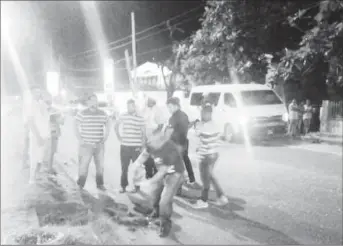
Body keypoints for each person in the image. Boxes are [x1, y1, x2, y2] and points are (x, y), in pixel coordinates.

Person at [138, 127, 185, 237]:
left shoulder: (170, 148)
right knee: (154, 194)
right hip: (163, 172)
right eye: (148, 140)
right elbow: (142, 157)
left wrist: (146, 183)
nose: (149, 142)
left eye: (152, 140)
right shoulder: (151, 144)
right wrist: (133, 169)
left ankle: (165, 224)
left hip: (175, 174)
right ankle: (156, 212)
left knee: (164, 201)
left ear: (159, 139)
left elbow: (162, 172)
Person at [192, 103, 228, 209]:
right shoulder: (215, 124)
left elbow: (197, 134)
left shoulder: (203, 125)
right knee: (210, 176)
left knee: (205, 179)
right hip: (214, 154)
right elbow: (216, 139)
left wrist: (197, 124)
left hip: (206, 156)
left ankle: (203, 200)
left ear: (207, 113)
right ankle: (221, 197)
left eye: (202, 113)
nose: (201, 115)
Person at [74, 94, 110, 191]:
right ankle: (80, 185)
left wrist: (105, 138)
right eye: (92, 100)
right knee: (83, 165)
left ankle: (100, 184)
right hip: (86, 145)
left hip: (99, 145)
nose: (94, 103)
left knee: (100, 166)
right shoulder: (82, 113)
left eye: (96, 101)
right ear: (88, 102)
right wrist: (80, 139)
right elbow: (75, 126)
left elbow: (108, 124)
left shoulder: (102, 113)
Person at [115, 99, 146, 193]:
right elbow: (116, 126)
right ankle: (123, 186)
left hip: (136, 146)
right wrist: (119, 137)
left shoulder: (140, 118)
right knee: (124, 167)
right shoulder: (123, 115)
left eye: (131, 106)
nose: (129, 108)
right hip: (125, 146)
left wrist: (142, 146)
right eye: (128, 106)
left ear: (134, 106)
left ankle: (137, 187)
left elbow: (143, 133)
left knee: (137, 167)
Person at [165, 97, 196, 186]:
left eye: (170, 107)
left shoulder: (173, 118)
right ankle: (191, 178)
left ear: (176, 106)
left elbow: (169, 132)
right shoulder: (184, 115)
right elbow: (187, 126)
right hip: (184, 142)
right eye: (168, 107)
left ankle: (177, 185)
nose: (169, 109)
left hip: (176, 144)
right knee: (185, 161)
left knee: (175, 165)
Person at [26, 86, 51, 184]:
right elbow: (31, 122)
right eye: (36, 92)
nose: (38, 94)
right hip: (36, 136)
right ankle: (31, 179)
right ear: (32, 93)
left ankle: (37, 176)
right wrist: (38, 137)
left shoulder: (42, 104)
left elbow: (46, 118)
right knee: (34, 157)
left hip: (44, 135)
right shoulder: (30, 105)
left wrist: (46, 135)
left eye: (39, 92)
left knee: (40, 158)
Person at [142, 97, 166, 179]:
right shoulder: (146, 109)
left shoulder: (158, 110)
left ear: (153, 102)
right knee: (147, 156)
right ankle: (148, 173)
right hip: (146, 135)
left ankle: (157, 174)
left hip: (155, 135)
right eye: (147, 101)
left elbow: (161, 125)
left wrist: (153, 135)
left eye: (149, 101)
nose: (147, 102)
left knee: (156, 157)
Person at [46, 97, 64, 175]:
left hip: (50, 133)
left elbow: (61, 122)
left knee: (50, 151)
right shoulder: (54, 111)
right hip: (50, 133)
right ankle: (49, 169)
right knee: (50, 152)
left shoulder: (55, 111)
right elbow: (61, 122)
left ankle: (48, 167)